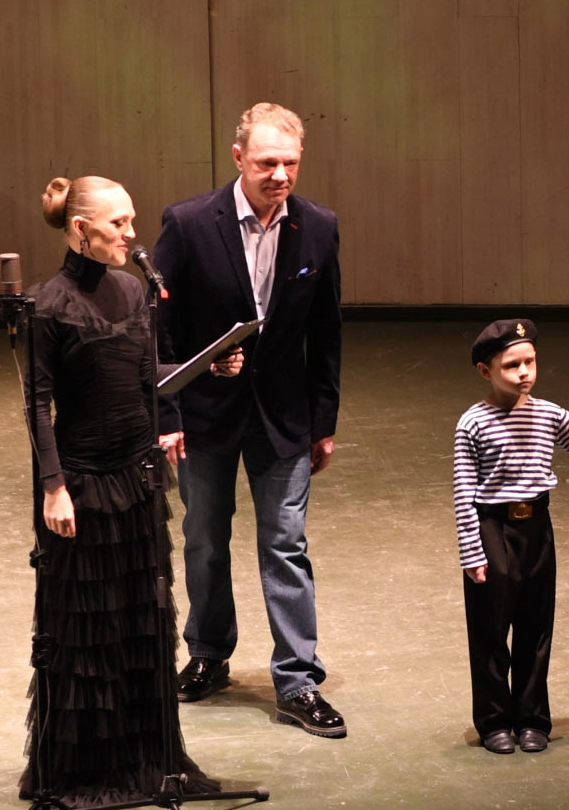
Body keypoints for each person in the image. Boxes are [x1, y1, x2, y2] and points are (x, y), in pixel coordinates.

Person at [18, 175, 240, 806]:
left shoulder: (132, 290)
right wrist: (54, 487)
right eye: (118, 223)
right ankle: (84, 771)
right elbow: (37, 406)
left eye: (131, 220)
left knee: (140, 625)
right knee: (87, 633)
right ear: (80, 229)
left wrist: (205, 365)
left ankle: (144, 761)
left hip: (137, 479)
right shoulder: (47, 306)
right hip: (83, 485)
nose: (131, 234)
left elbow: (147, 377)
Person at [153, 102, 346, 738]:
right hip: (204, 416)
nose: (280, 175)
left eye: (290, 163)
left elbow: (326, 331)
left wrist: (323, 421)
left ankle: (297, 681)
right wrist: (168, 410)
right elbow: (161, 330)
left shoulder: (319, 226)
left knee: (286, 544)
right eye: (267, 163)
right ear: (238, 158)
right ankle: (209, 654)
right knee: (205, 539)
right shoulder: (187, 224)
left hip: (283, 418)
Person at [454, 319, 569, 755]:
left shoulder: (547, 413)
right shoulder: (472, 423)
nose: (524, 373)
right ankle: (495, 721)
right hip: (493, 530)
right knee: (491, 631)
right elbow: (463, 491)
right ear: (485, 371)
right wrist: (471, 551)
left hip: (537, 528)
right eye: (511, 365)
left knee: (536, 628)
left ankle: (533, 719)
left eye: (530, 362)